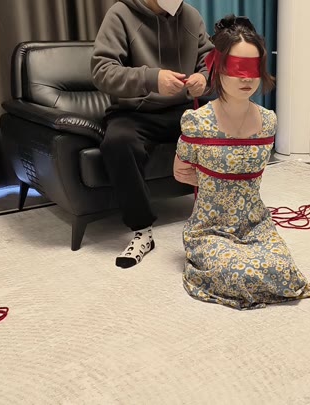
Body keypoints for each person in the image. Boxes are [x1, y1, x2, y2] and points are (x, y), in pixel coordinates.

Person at [173, 15, 310, 310]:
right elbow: (181, 172)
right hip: (210, 229)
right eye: (236, 68)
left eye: (252, 69)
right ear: (218, 67)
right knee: (239, 275)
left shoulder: (268, 122)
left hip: (256, 224)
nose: (246, 78)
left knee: (283, 272)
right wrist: (213, 184)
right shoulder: (196, 122)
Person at [91, 0, 214, 268]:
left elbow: (210, 62)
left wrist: (204, 79)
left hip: (181, 109)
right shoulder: (120, 14)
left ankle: (223, 217)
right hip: (134, 112)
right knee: (118, 142)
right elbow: (102, 71)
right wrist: (150, 79)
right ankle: (142, 230)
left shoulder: (191, 16)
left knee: (222, 128)